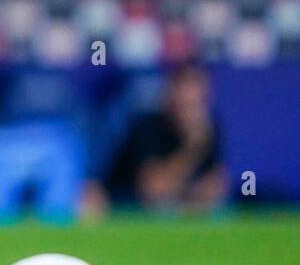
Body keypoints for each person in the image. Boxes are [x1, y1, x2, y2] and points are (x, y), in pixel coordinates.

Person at [84, 63, 227, 215]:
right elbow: (154, 190)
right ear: (170, 94)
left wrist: (197, 195)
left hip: (176, 213)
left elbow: (215, 188)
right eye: (184, 102)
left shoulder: (209, 127)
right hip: (126, 209)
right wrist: (192, 149)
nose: (190, 110)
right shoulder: (146, 126)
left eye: (196, 102)